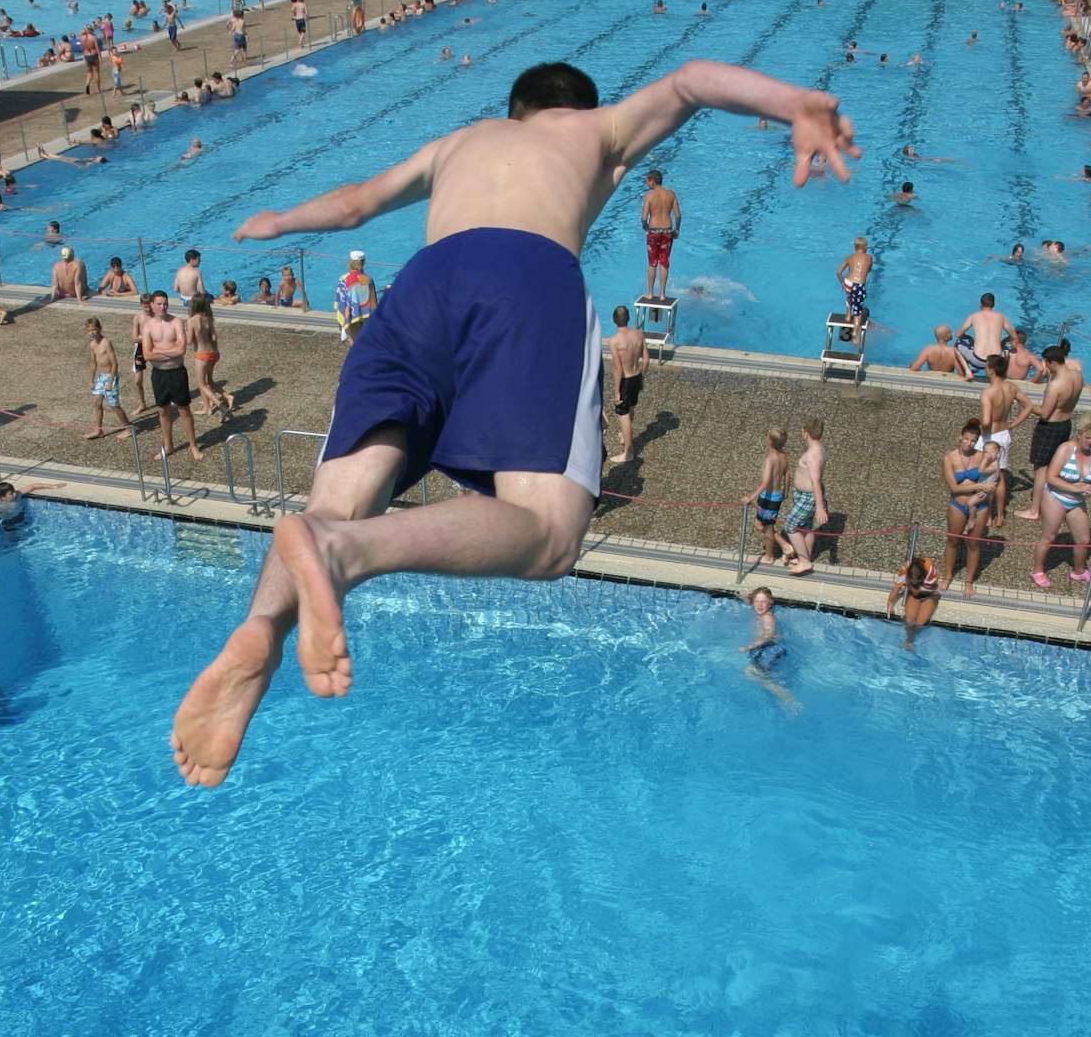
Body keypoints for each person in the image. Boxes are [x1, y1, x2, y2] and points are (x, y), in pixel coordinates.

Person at [169, 60, 858, 787]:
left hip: (422, 285)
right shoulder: (599, 129)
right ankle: (343, 554)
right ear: (580, 112)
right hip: (524, 275)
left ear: (514, 110)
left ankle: (263, 633)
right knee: (550, 533)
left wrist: (277, 221)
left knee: (333, 501)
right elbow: (689, 83)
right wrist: (795, 105)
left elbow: (351, 207)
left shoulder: (458, 143)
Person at [1029, 420, 1091, 588]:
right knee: (1049, 536)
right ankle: (1038, 570)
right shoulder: (1065, 449)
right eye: (1087, 437)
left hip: (1076, 500)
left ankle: (1079, 570)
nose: (1090, 441)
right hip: (1056, 495)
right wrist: (1076, 488)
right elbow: (1051, 477)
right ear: (1079, 434)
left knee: (1084, 539)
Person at [1014, 345, 1084, 518]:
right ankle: (1049, 502)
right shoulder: (1077, 376)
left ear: (1053, 363)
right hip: (1065, 424)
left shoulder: (1056, 385)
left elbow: (1045, 412)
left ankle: (1034, 510)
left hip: (1049, 427)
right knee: (1055, 466)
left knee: (1041, 470)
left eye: (1046, 363)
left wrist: (1026, 404)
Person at [141, 289, 200, 461]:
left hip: (177, 372)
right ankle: (168, 446)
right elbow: (147, 355)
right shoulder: (148, 326)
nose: (163, 307)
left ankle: (193, 445)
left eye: (165, 303)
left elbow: (181, 349)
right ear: (152, 305)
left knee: (184, 409)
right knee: (163, 410)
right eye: (159, 304)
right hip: (159, 373)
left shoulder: (176, 322)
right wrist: (170, 351)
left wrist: (158, 350)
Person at [943, 419, 1001, 596]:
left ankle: (969, 580)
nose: (969, 443)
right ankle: (947, 576)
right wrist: (979, 487)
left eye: (973, 441)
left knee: (974, 544)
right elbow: (954, 487)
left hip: (980, 505)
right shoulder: (949, 459)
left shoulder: (981, 456)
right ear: (960, 436)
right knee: (953, 541)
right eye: (966, 439)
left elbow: (995, 475)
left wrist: (990, 486)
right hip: (958, 504)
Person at [778, 417, 829, 572]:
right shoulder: (820, 448)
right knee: (806, 528)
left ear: (806, 434)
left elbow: (815, 482)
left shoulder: (812, 455)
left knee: (790, 525)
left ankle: (805, 562)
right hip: (804, 495)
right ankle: (804, 558)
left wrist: (820, 507)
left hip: (807, 497)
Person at [743, 426, 795, 568]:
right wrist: (785, 492)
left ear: (770, 441)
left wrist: (750, 497)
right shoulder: (784, 456)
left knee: (766, 527)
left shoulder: (769, 459)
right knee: (761, 524)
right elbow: (788, 474)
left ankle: (769, 556)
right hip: (777, 496)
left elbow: (765, 482)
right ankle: (784, 545)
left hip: (768, 497)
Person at [740, 586, 797, 710]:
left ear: (770, 604)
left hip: (772, 649)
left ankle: (786, 696)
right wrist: (742, 595)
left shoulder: (768, 617)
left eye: (763, 602)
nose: (760, 605)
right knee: (759, 674)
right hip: (766, 648)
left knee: (751, 673)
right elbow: (751, 601)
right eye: (757, 602)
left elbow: (768, 635)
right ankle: (780, 697)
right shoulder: (758, 609)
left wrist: (749, 646)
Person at [979, 354, 1034, 472]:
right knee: (1000, 473)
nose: (985, 369)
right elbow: (1029, 406)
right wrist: (1013, 424)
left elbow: (986, 420)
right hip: (1004, 433)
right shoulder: (1011, 387)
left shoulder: (988, 393)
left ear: (991, 371)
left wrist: (983, 432)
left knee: (980, 470)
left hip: (990, 435)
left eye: (986, 367)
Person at [606, 304, 647, 462]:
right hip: (637, 376)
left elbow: (617, 368)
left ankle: (628, 453)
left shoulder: (614, 341)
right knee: (630, 407)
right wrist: (642, 377)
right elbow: (647, 359)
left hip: (626, 379)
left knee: (623, 414)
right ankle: (624, 436)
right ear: (628, 318)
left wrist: (616, 391)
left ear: (614, 320)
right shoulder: (639, 334)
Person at [186, 292, 237, 420]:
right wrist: (216, 350)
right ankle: (224, 399)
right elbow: (214, 336)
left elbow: (189, 341)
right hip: (213, 353)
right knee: (210, 381)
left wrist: (184, 331)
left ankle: (221, 406)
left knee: (202, 384)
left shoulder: (192, 321)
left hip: (201, 355)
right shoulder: (208, 318)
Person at [84, 317, 134, 438]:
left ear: (100, 329)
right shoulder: (92, 345)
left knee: (114, 405)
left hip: (111, 376)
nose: (92, 333)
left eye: (94, 329)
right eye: (89, 330)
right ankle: (98, 429)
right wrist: (91, 380)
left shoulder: (106, 343)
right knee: (97, 402)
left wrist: (111, 381)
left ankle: (128, 427)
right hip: (102, 377)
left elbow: (115, 363)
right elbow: (93, 362)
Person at [640, 168, 681, 300]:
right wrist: (677, 229)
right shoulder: (671, 194)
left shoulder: (649, 196)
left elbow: (644, 217)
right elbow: (678, 215)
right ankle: (662, 294)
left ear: (652, 181)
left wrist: (644, 226)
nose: (646, 183)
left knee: (652, 263)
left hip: (653, 232)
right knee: (664, 262)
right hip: (667, 232)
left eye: (647, 180)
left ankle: (651, 293)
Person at [0, 480, 68, 526]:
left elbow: (34, 486)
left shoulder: (18, 494)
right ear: (3, 496)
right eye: (10, 493)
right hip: (6, 520)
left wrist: (53, 486)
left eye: (13, 491)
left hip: (19, 515)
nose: (14, 494)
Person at [886, 557, 940, 651]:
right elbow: (896, 589)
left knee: (920, 623)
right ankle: (908, 641)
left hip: (930, 595)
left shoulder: (930, 571)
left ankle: (910, 640)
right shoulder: (905, 569)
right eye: (912, 583)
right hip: (915, 595)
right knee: (909, 620)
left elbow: (934, 590)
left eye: (917, 583)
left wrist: (916, 588)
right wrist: (890, 602)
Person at [955, 292, 1014, 375]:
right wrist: (1003, 341)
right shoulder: (1002, 317)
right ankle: (1002, 375)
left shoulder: (974, 316)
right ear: (994, 304)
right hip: (995, 362)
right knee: (1007, 350)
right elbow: (1013, 336)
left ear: (980, 303)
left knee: (957, 344)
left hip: (977, 360)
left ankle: (967, 371)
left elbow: (958, 335)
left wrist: (969, 338)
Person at [334, 249, 377, 340]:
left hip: (350, 316)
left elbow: (340, 302)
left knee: (354, 344)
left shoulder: (343, 279)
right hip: (365, 317)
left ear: (350, 262)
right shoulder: (369, 280)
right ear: (363, 262)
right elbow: (373, 304)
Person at [838, 235, 872, 325]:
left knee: (849, 297)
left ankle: (848, 316)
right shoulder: (869, 257)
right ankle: (855, 334)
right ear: (865, 247)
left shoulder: (850, 257)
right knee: (858, 309)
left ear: (854, 247)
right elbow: (869, 270)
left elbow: (839, 272)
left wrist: (842, 283)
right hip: (858, 285)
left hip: (848, 283)